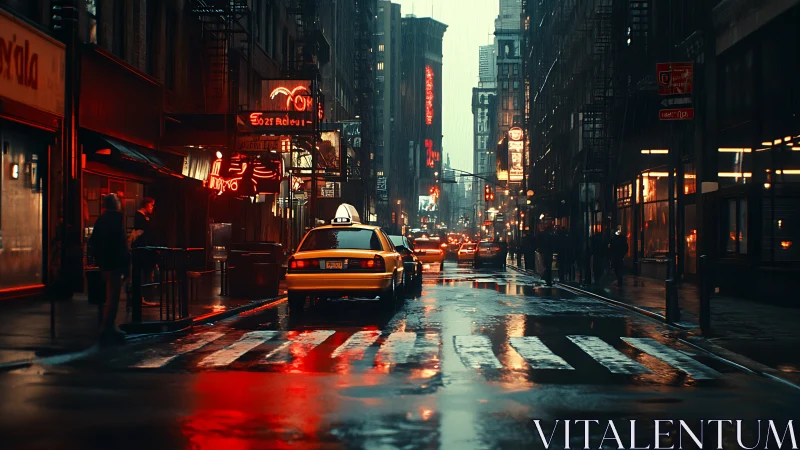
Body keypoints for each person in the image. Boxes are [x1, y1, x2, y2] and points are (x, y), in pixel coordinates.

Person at [88, 194, 130, 344]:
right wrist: (126, 264)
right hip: (115, 263)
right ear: (115, 204)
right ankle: (107, 327)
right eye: (118, 201)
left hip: (104, 263)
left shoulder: (101, 218)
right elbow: (121, 243)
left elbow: (93, 241)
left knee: (107, 296)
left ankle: (107, 326)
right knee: (113, 297)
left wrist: (97, 260)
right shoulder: (117, 218)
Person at [131, 198, 158, 308]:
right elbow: (145, 232)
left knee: (146, 274)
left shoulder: (145, 218)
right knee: (144, 274)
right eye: (151, 205)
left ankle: (143, 297)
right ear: (146, 205)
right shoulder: (140, 217)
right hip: (143, 252)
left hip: (146, 251)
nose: (152, 208)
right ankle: (142, 297)